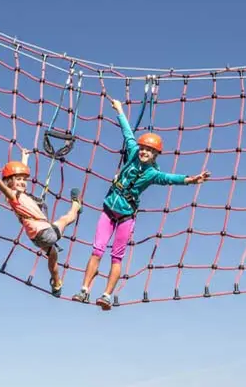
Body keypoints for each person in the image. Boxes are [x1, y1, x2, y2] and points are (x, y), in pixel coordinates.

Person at [72, 97, 210, 310]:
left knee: (116, 257)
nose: (145, 152)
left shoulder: (153, 173)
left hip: (126, 217)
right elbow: (127, 132)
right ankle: (84, 290)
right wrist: (119, 110)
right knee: (97, 250)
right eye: (144, 148)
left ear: (156, 155)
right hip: (108, 211)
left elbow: (169, 178)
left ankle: (107, 295)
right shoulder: (133, 152)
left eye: (150, 151)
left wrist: (191, 180)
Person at [0, 148, 82, 296]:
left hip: (37, 237)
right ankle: (76, 204)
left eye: (24, 179)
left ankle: (56, 283)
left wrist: (25, 159)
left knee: (53, 256)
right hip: (45, 233)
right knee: (66, 218)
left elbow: (20, 175)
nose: (23, 182)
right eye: (18, 180)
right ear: (10, 182)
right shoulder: (13, 196)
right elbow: (3, 188)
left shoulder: (21, 194)